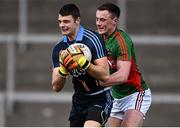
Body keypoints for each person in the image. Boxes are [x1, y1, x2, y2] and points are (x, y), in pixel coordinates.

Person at [51, 3, 113, 127]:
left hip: (100, 97)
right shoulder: (59, 48)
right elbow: (56, 87)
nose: (62, 25)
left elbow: (105, 75)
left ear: (77, 20)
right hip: (79, 100)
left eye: (66, 21)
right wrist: (63, 70)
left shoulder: (93, 39)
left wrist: (84, 63)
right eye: (60, 21)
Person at [96, 3, 152, 127]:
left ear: (114, 21)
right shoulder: (96, 39)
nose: (98, 23)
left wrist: (97, 82)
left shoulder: (122, 41)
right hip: (115, 97)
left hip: (135, 94)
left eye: (103, 20)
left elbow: (122, 76)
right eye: (97, 19)